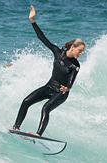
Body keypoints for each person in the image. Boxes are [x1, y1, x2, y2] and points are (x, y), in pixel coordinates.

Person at [13, 5, 85, 136]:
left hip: (60, 93)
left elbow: (70, 83)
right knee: (26, 101)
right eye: (80, 51)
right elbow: (42, 37)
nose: (81, 54)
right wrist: (32, 20)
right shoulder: (57, 52)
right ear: (73, 47)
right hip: (49, 87)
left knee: (46, 108)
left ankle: (38, 135)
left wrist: (66, 89)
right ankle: (16, 128)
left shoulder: (76, 65)